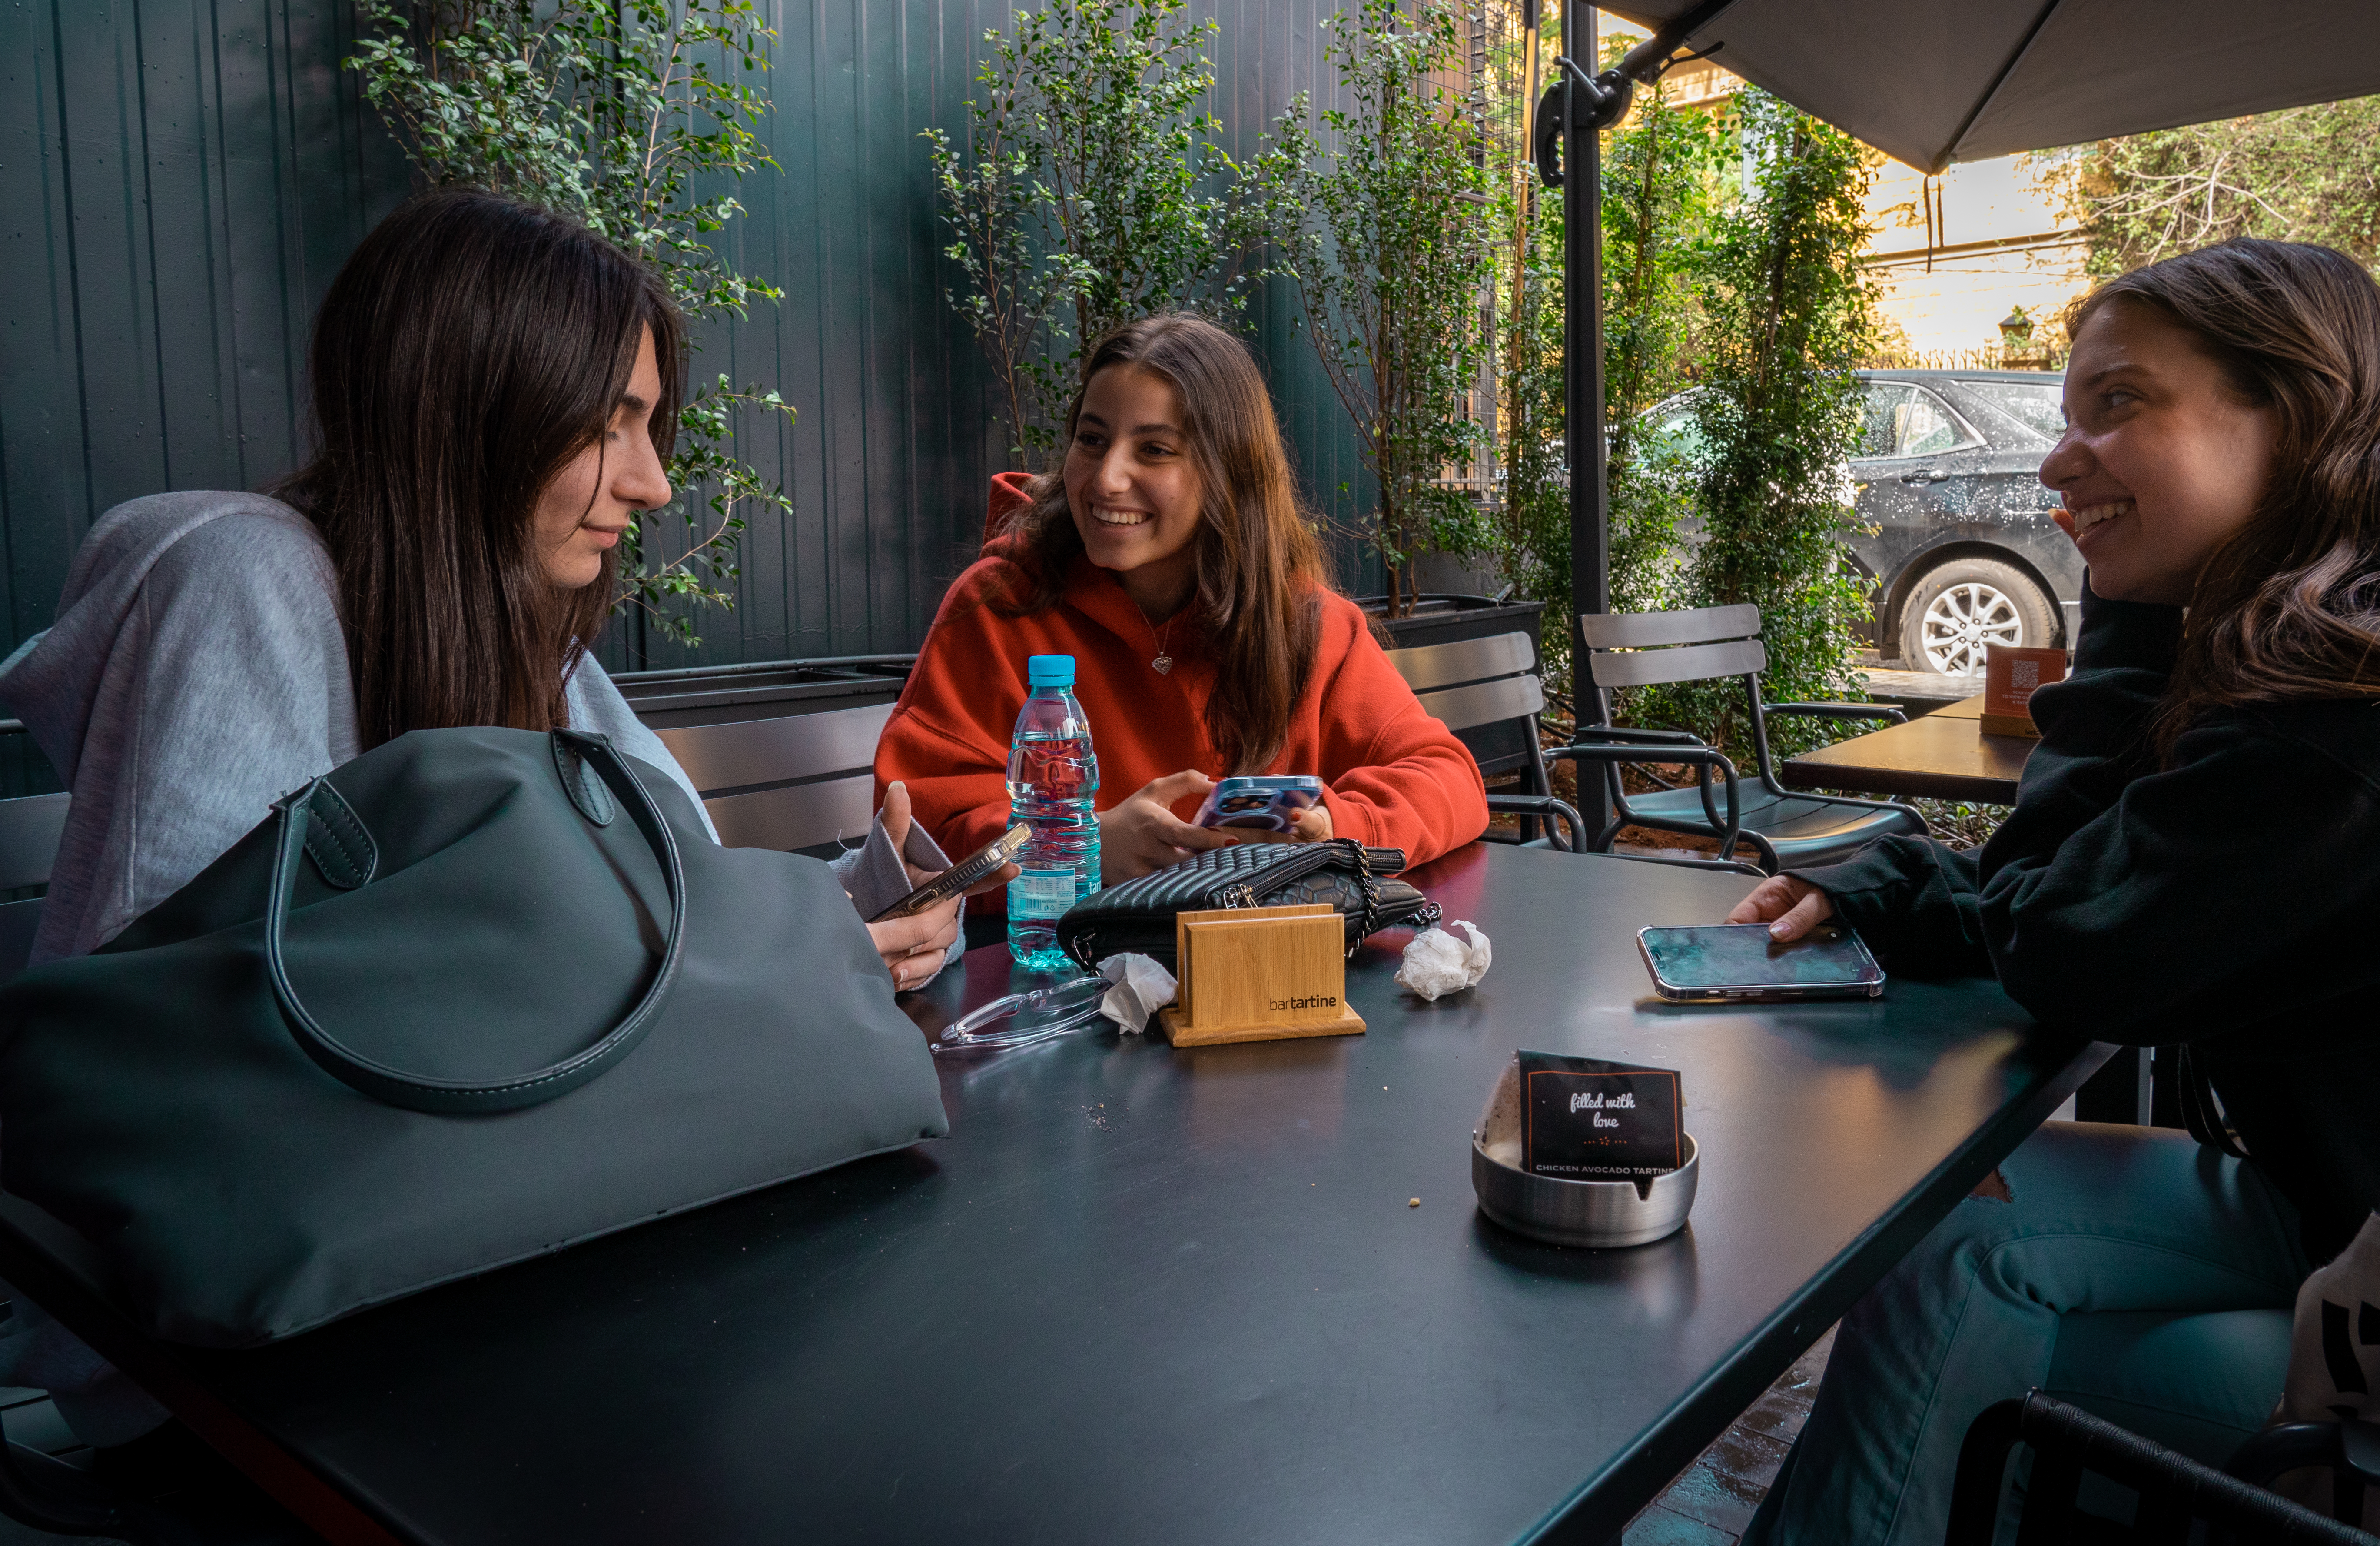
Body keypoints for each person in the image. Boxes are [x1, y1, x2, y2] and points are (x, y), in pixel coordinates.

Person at [0, 190, 970, 1452]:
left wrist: (840, 914)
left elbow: (671, 927)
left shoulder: (527, 643)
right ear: (474, 404)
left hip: (486, 1280)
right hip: (237, 1383)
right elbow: (192, 1082)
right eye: (612, 423)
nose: (657, 484)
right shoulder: (241, 578)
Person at [1729, 239, 2380, 1545]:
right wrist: (1929, 892)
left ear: (2296, 414)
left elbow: (2075, 945)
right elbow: (2122, 914)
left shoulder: (2366, 722)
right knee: (1946, 1232)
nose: (2057, 457)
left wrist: (2126, 624)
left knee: (1941, 1313)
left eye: (2119, 405)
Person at [876, 312, 1489, 881]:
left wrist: (1329, 833)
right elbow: (916, 830)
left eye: (1155, 450)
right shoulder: (997, 607)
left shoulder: (1306, 621)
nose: (1107, 478)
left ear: (1228, 473)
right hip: (1049, 979)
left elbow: (1449, 780)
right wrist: (1078, 847)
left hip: (1264, 980)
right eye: (1092, 440)